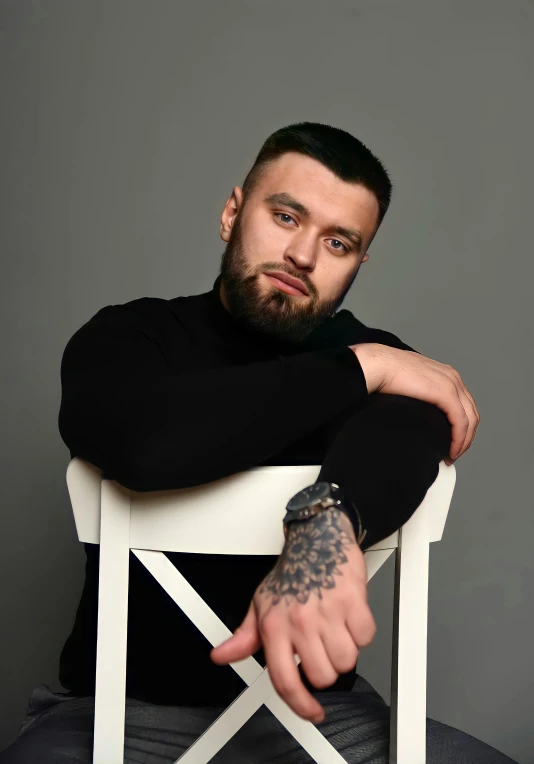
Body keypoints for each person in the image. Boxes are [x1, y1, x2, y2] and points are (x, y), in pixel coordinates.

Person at [1, 122, 516, 764]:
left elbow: (413, 432)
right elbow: (144, 440)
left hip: (315, 721)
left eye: (338, 242)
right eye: (285, 216)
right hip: (118, 712)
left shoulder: (383, 361)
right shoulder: (132, 337)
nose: (303, 254)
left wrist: (323, 524)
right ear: (232, 213)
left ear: (359, 264)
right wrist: (361, 370)